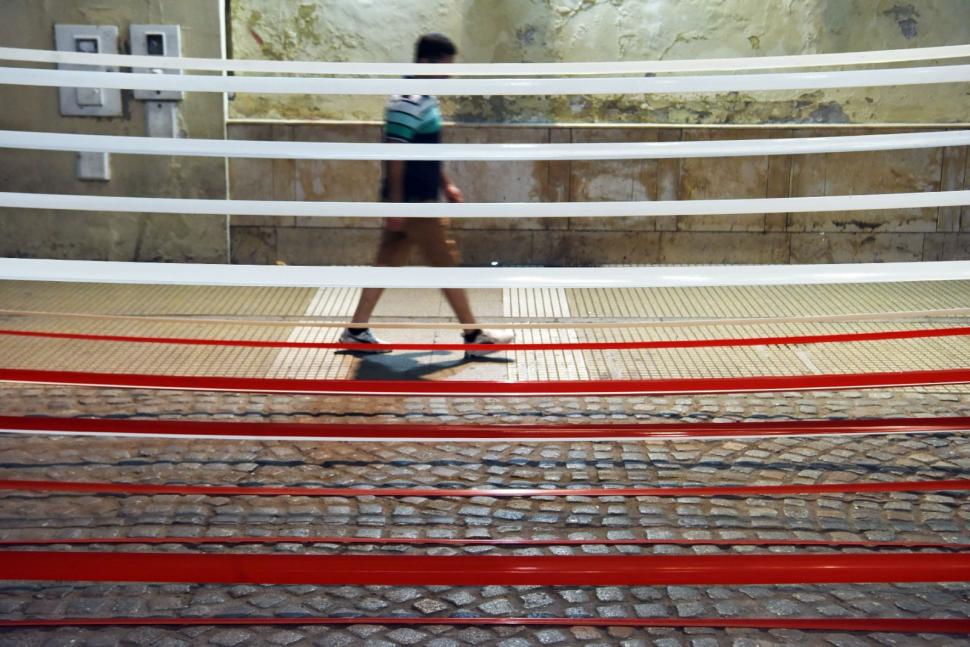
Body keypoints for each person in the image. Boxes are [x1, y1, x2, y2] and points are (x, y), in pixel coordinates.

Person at [341, 33, 513, 357]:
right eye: (446, 65)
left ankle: (356, 330)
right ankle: (474, 335)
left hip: (415, 197)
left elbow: (426, 149)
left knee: (387, 262)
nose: (450, 73)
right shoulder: (408, 98)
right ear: (425, 62)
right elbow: (396, 154)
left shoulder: (426, 96)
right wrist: (397, 203)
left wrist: (445, 183)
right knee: (445, 261)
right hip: (413, 200)